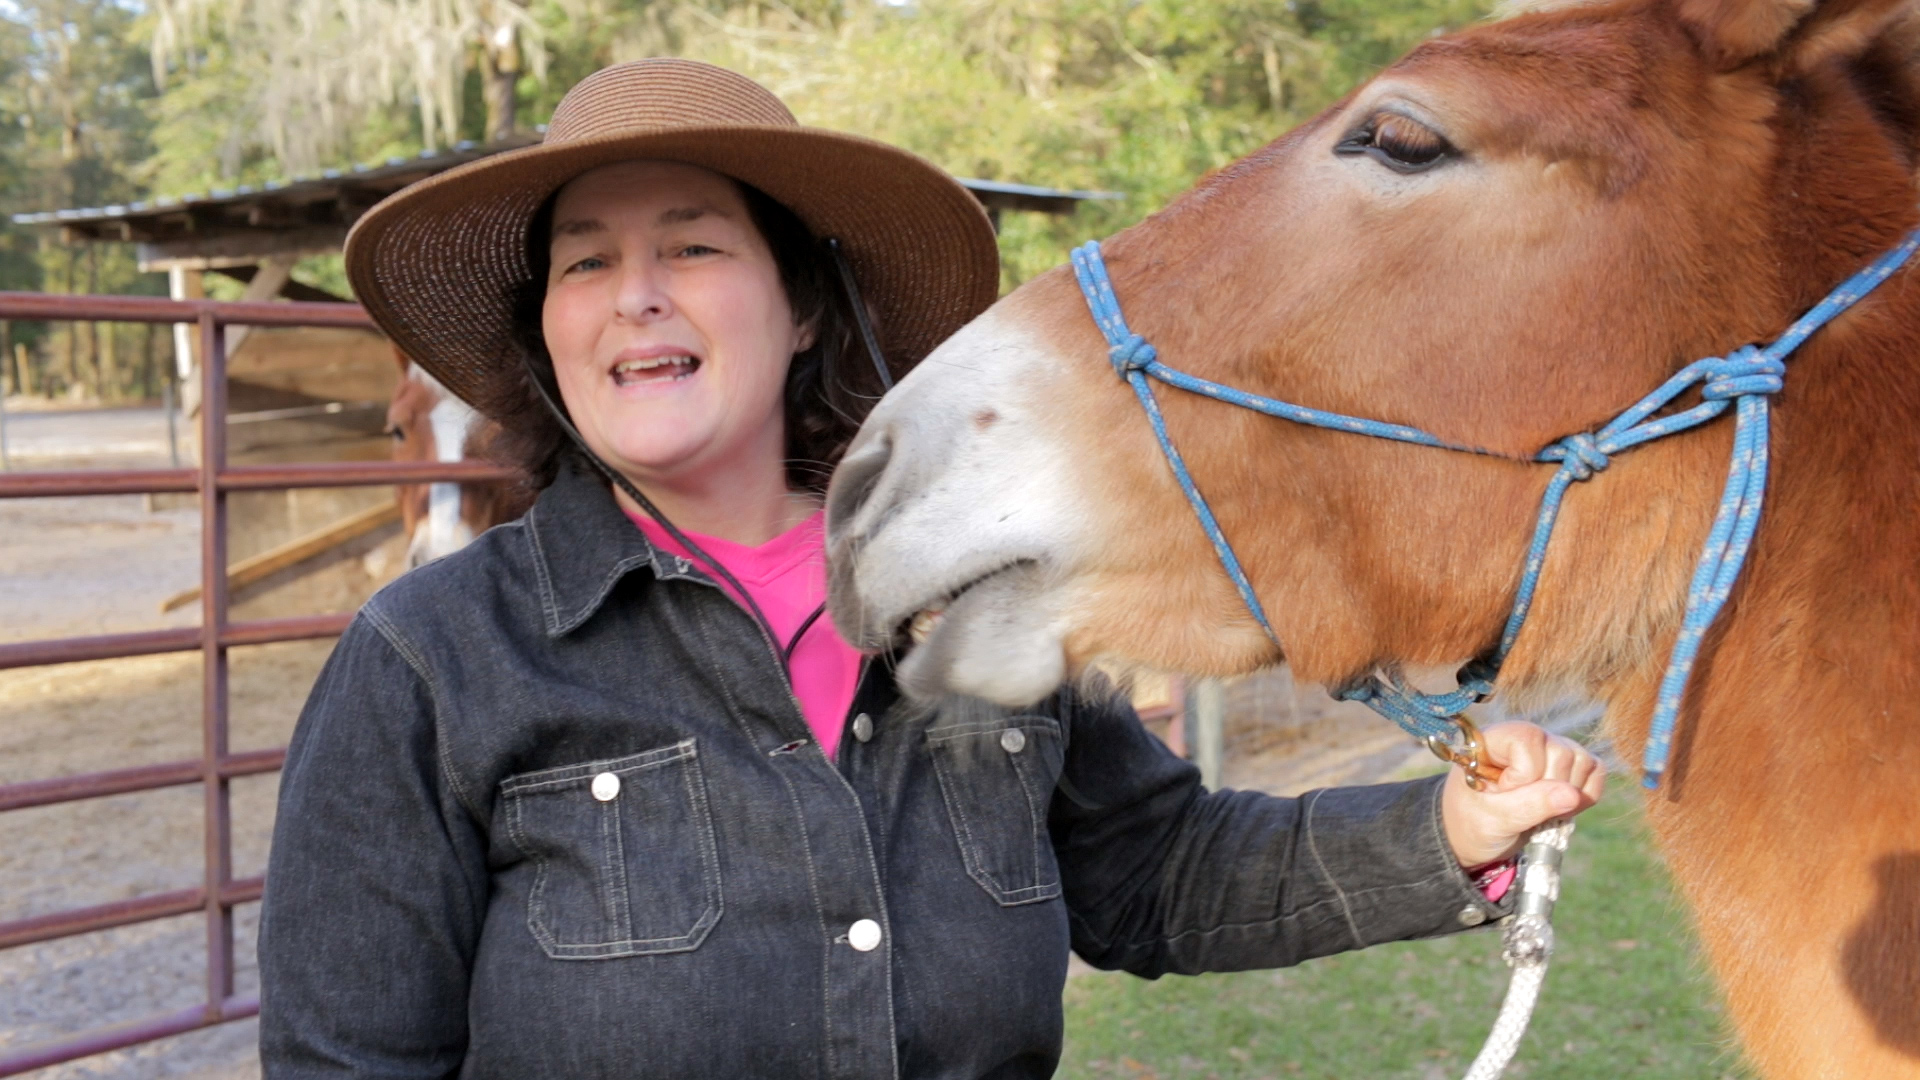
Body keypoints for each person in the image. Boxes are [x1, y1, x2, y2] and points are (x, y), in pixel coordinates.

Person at [257, 58, 1605, 1079]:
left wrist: (1450, 836)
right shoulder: (434, 663)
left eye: (691, 245)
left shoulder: (980, 607)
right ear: (547, 330)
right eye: (585, 263)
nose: (635, 294)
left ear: (796, 309)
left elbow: (1155, 871)